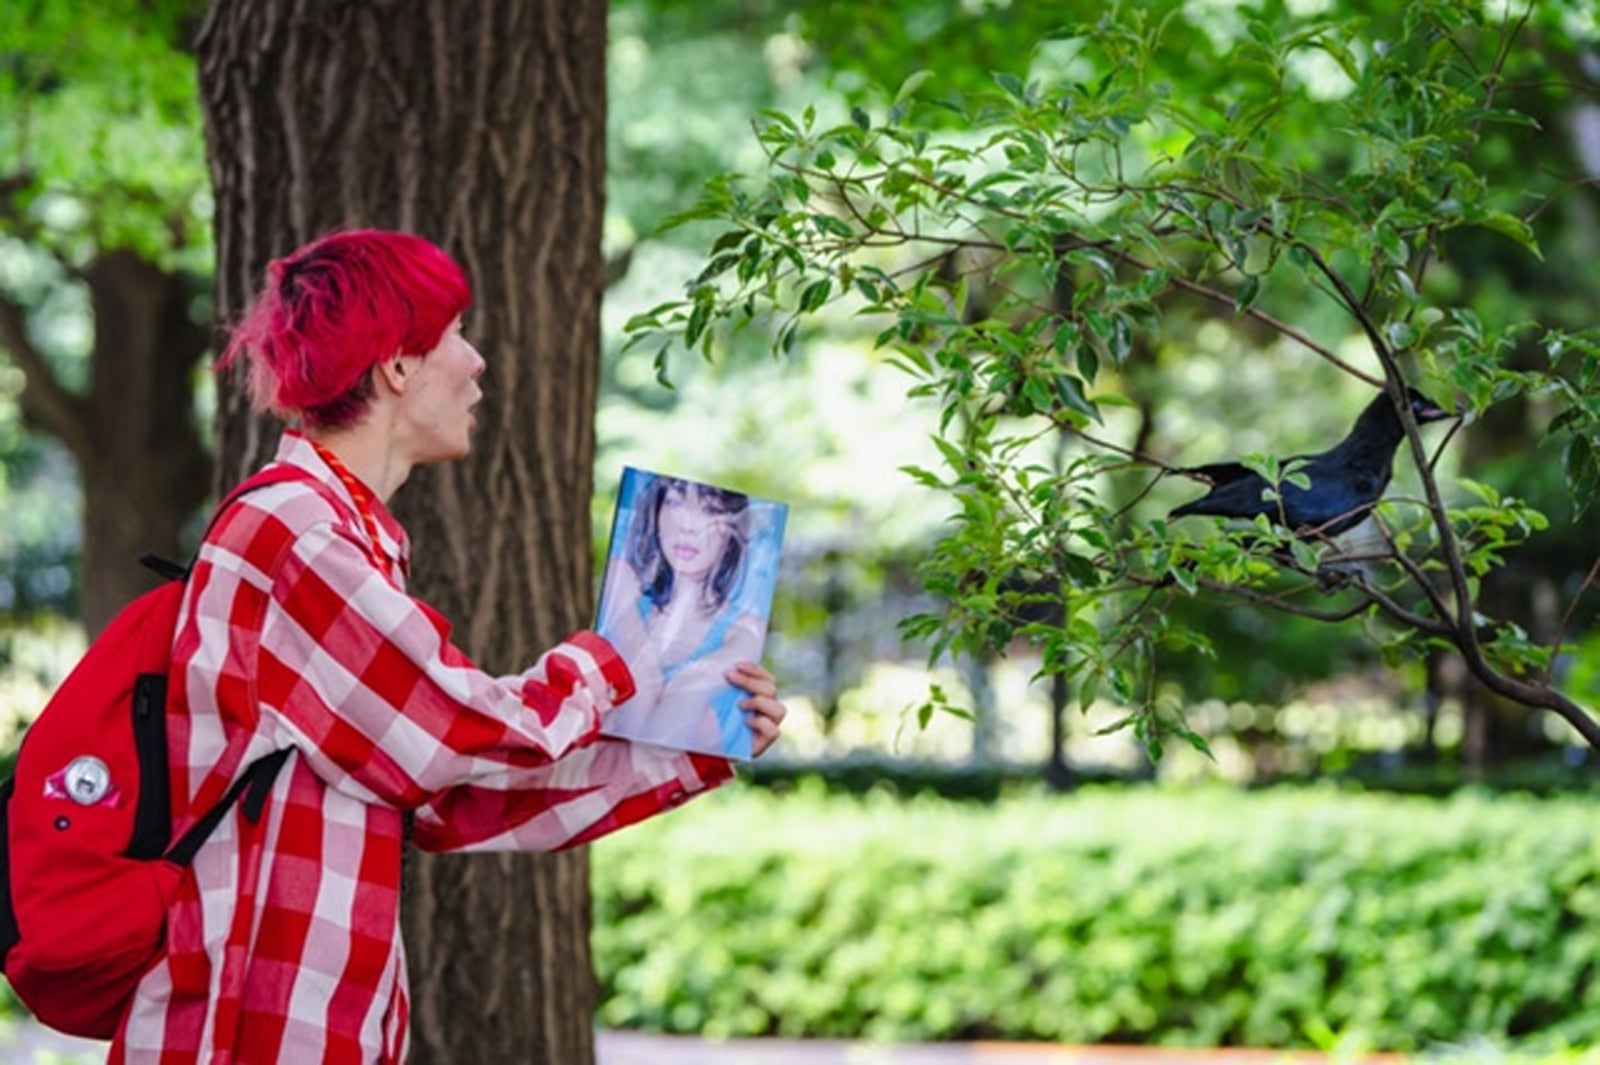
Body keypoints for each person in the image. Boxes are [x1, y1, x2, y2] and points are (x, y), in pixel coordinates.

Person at [110, 229, 787, 1064]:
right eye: (456, 334)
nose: (476, 363)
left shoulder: (340, 535)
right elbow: (456, 734)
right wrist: (622, 657)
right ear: (396, 364)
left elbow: (453, 796)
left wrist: (699, 733)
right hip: (250, 1032)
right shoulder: (298, 534)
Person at [597, 474, 771, 757]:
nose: (688, 526)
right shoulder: (621, 585)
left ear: (733, 530)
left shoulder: (745, 630)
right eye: (675, 503)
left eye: (711, 510)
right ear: (656, 512)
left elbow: (657, 747)